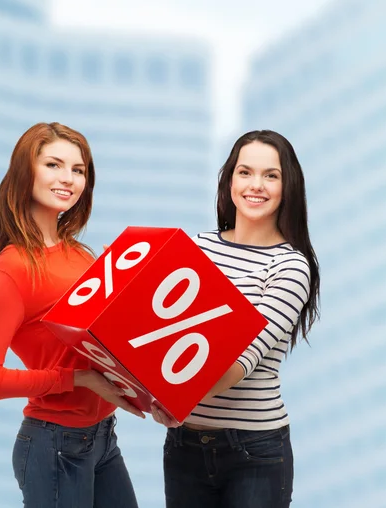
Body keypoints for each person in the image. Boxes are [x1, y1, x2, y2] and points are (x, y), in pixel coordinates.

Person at [0, 122, 143, 508]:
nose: (68, 179)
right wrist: (76, 379)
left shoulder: (82, 255)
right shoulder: (14, 267)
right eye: (53, 165)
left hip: (103, 439)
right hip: (54, 444)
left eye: (78, 170)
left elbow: (103, 348)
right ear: (25, 172)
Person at [152, 129, 320, 508]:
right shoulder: (197, 247)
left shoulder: (290, 266)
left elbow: (238, 364)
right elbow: (158, 336)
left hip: (254, 452)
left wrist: (170, 391)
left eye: (270, 175)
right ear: (229, 180)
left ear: (287, 186)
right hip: (183, 448)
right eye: (245, 172)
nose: (255, 185)